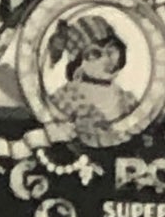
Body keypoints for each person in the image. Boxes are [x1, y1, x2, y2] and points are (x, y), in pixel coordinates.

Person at [47, 13, 139, 145]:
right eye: (95, 54)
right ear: (78, 63)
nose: (106, 60)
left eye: (111, 50)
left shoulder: (127, 100)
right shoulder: (64, 99)